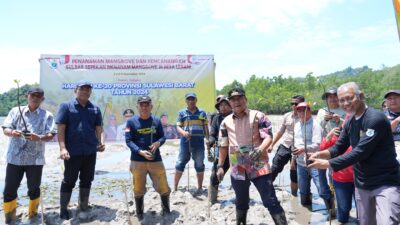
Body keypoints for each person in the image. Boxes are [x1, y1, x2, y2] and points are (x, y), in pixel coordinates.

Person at [309, 82, 400, 225]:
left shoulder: (375, 119)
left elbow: (360, 152)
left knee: (387, 222)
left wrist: (328, 164)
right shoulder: (350, 120)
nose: (345, 103)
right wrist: (320, 154)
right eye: (342, 100)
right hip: (362, 183)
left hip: (385, 182)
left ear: (361, 96)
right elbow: (338, 147)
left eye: (349, 98)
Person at [217, 88, 287, 225]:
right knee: (241, 200)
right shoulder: (225, 122)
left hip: (258, 162)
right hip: (237, 164)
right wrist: (220, 166)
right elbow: (223, 145)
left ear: (245, 100)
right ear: (229, 103)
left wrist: (260, 149)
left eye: (239, 98)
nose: (236, 102)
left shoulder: (258, 116)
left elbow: (268, 137)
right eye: (233, 99)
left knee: (270, 200)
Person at [2, 87, 55, 224]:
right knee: (9, 189)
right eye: (33, 95)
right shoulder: (15, 111)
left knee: (34, 189)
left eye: (39, 96)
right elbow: (5, 128)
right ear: (27, 96)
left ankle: (33, 215)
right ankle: (10, 217)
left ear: (42, 99)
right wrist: (12, 132)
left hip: (35, 160)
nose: (35, 98)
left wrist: (40, 137)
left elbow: (51, 134)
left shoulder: (47, 115)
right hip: (15, 158)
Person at [56, 80, 105, 220]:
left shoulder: (95, 108)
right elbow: (61, 128)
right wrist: (62, 148)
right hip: (72, 152)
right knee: (69, 180)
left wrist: (101, 142)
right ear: (75, 90)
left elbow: (99, 129)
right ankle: (63, 209)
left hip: (90, 151)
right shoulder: (66, 106)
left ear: (90, 92)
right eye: (82, 89)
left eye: (87, 89)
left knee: (87, 180)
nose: (85, 91)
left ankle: (83, 206)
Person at [125, 96, 170, 220]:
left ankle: (166, 210)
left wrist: (158, 143)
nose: (144, 107)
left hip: (156, 160)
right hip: (137, 161)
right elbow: (128, 141)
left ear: (151, 106)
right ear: (137, 106)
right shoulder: (130, 122)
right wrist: (140, 151)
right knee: (138, 188)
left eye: (147, 105)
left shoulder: (156, 120)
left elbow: (163, 137)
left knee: (163, 186)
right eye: (142, 105)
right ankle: (139, 213)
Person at [292, 102, 334, 217]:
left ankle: (332, 212)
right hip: (300, 162)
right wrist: (294, 157)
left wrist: (303, 149)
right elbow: (295, 142)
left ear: (310, 111)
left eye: (304, 110)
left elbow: (317, 144)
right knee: (303, 189)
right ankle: (306, 214)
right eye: (299, 110)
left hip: (315, 162)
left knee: (322, 188)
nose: (301, 113)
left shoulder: (315, 125)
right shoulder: (296, 124)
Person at [316, 87, 345, 218]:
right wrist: (325, 120)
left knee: (340, 177)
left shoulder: (345, 108)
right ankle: (333, 208)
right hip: (326, 147)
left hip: (343, 148)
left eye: (335, 96)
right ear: (326, 99)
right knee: (328, 177)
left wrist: (340, 120)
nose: (332, 99)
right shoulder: (322, 111)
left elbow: (352, 125)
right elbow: (317, 130)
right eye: (330, 97)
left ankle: (342, 207)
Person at [320, 113, 355, 224]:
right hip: (341, 179)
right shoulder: (338, 135)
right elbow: (323, 149)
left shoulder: (363, 135)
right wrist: (329, 136)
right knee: (343, 209)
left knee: (363, 209)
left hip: (360, 179)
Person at [268, 94, 304, 196]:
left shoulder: (305, 117)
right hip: (285, 146)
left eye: (296, 103)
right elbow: (280, 132)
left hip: (298, 149)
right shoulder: (287, 116)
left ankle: (294, 196)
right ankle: (267, 191)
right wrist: (272, 144)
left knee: (294, 174)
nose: (294, 106)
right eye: (292, 103)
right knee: (274, 168)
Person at [174, 93, 208, 193]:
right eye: (188, 99)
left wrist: (208, 139)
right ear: (186, 101)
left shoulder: (202, 113)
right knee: (180, 163)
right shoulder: (182, 113)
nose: (191, 101)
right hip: (185, 142)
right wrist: (184, 133)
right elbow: (178, 127)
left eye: (192, 99)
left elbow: (205, 126)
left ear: (196, 100)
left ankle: (200, 187)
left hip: (199, 143)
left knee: (199, 164)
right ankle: (175, 187)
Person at [207, 96, 232, 204]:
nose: (224, 107)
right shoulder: (216, 119)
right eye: (221, 105)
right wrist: (210, 141)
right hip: (221, 150)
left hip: (235, 151)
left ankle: (243, 198)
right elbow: (212, 134)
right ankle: (212, 200)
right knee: (215, 174)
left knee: (239, 175)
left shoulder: (235, 117)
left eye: (226, 104)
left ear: (230, 105)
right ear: (219, 108)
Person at [384, 89, 400, 162]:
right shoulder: (381, 117)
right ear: (386, 102)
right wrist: (397, 120)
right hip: (394, 146)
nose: (393, 100)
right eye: (390, 99)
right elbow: (384, 133)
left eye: (395, 98)